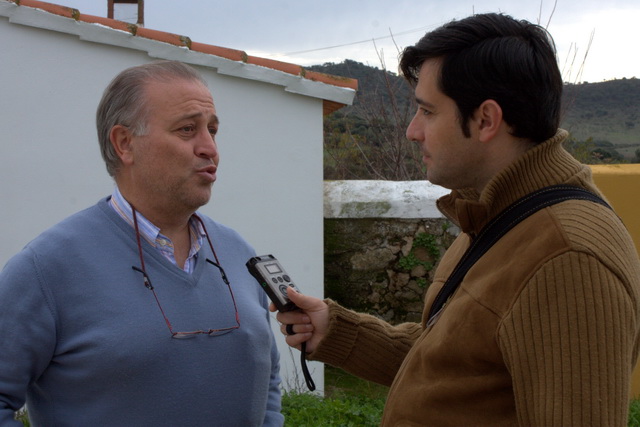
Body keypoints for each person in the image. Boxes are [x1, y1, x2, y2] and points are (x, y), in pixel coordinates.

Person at [277, 13, 640, 427]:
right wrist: (334, 330)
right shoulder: (497, 214)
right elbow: (450, 363)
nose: (413, 131)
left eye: (428, 112)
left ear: (486, 120)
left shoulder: (568, 259)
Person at [0, 61, 284, 426]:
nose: (209, 148)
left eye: (212, 130)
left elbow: (269, 380)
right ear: (124, 143)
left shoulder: (239, 253)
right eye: (187, 130)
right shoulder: (45, 269)